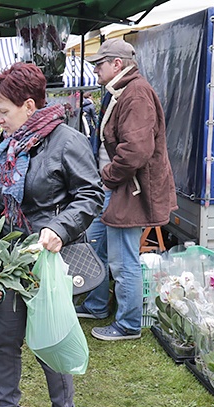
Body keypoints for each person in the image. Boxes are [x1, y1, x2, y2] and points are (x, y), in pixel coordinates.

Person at [0, 62, 103, 407]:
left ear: (29, 105)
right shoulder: (9, 145)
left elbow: (91, 195)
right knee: (6, 340)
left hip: (50, 260)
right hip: (12, 258)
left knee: (49, 338)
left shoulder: (68, 141)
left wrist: (60, 228)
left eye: (3, 111)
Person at [77, 38, 177, 341]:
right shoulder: (122, 90)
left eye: (99, 64)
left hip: (126, 188)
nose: (95, 70)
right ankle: (96, 304)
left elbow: (136, 151)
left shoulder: (135, 94)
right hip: (116, 185)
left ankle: (129, 325)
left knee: (124, 261)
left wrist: (107, 175)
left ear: (117, 64)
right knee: (97, 249)